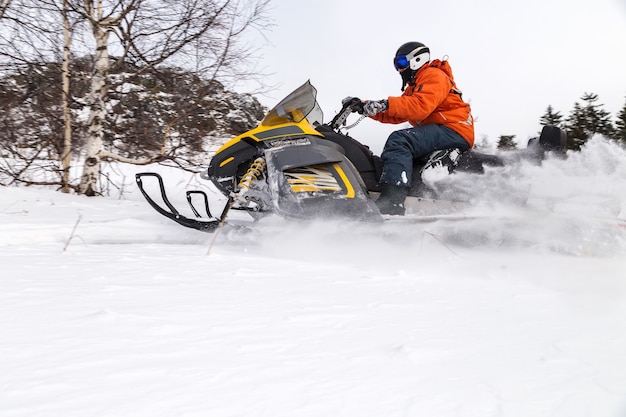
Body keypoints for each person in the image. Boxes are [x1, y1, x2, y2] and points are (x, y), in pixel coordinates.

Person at [347, 41, 475, 215]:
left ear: (417, 59)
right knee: (404, 149)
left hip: (453, 129)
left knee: (400, 140)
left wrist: (385, 104)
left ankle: (392, 201)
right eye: (396, 65)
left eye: (401, 63)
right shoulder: (414, 87)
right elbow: (398, 113)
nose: (399, 70)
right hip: (442, 130)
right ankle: (415, 197)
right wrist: (365, 107)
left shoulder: (434, 75)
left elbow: (419, 106)